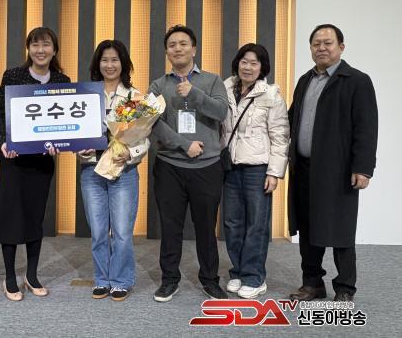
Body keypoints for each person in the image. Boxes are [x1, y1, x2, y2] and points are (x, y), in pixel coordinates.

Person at [288, 24, 378, 302]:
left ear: (341, 47)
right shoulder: (305, 80)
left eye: (328, 43)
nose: (321, 48)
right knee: (308, 228)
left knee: (341, 229)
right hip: (304, 169)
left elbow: (366, 128)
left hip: (338, 171)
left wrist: (363, 167)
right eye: (316, 43)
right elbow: (291, 119)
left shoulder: (357, 81)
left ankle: (345, 288)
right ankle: (312, 283)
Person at [149, 24, 229, 302]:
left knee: (206, 228)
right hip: (169, 166)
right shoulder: (158, 85)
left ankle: (210, 280)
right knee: (170, 227)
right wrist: (185, 145)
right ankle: (169, 280)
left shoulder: (212, 80)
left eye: (183, 43)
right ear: (167, 52)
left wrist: (193, 93)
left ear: (194, 49)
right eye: (172, 45)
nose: (178, 48)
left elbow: (221, 112)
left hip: (207, 167)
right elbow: (153, 122)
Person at [0, 27, 70, 301]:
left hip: (42, 162)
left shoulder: (62, 80)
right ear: (28, 48)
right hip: (14, 160)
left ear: (54, 49)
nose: (40, 50)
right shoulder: (13, 76)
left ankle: (32, 275)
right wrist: (3, 142)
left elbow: (65, 122)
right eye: (35, 44)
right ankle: (10, 277)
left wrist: (62, 143)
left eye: (46, 44)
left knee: (35, 217)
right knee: (11, 217)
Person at [78, 40, 149, 302]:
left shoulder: (134, 97)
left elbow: (144, 138)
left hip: (123, 171)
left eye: (115, 60)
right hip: (91, 170)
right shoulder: (86, 95)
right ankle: (102, 279)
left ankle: (121, 280)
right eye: (105, 60)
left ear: (123, 64)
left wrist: (132, 153)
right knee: (98, 231)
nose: (109, 65)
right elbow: (76, 131)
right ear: (97, 64)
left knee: (121, 231)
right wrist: (79, 149)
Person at [221, 43, 289, 299]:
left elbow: (280, 136)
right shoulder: (225, 89)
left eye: (254, 63)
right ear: (237, 63)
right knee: (232, 223)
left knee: (256, 225)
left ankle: (254, 277)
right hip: (230, 166)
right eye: (244, 61)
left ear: (262, 67)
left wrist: (274, 172)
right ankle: (238, 271)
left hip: (258, 168)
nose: (248, 67)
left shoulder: (271, 95)